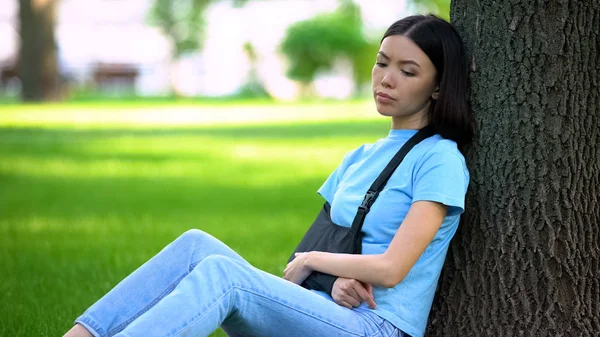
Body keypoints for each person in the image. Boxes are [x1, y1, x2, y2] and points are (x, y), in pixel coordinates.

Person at [63, 13, 474, 337]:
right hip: (325, 308)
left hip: (376, 326)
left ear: (437, 87)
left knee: (222, 275)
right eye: (382, 63)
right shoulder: (359, 157)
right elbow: (317, 247)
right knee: (195, 246)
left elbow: (389, 269)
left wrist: (312, 262)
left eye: (408, 70)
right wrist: (329, 279)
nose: (386, 78)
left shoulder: (439, 159)